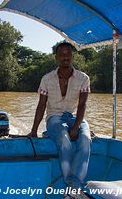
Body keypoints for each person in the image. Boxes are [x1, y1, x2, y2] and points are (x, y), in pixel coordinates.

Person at [29, 42, 91, 189]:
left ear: (72, 56)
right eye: (62, 54)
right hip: (54, 117)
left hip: (75, 117)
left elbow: (82, 105)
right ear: (56, 58)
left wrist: (76, 126)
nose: (65, 57)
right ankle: (71, 185)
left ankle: (75, 183)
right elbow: (41, 106)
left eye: (68, 54)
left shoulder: (83, 78)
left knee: (86, 140)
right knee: (64, 139)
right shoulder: (47, 79)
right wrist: (34, 130)